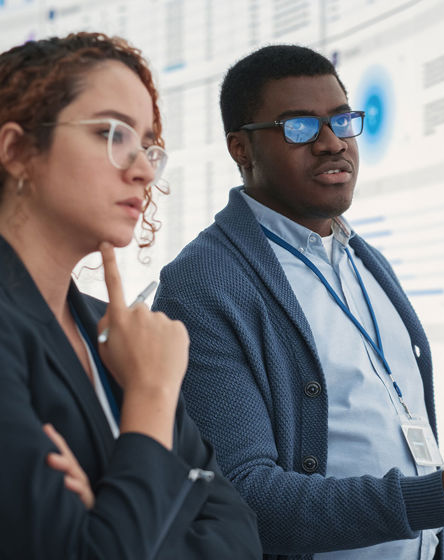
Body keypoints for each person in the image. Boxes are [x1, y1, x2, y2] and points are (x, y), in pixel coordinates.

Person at [153, 44, 444, 559]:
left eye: (342, 120)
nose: (330, 143)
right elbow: (245, 499)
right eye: (299, 127)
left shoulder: (363, 260)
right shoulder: (203, 285)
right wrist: (440, 498)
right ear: (241, 149)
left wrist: (440, 515)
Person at [0, 32, 261, 559]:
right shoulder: (144, 364)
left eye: (146, 146)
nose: (143, 170)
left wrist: (108, 512)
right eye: (112, 133)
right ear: (17, 149)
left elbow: (239, 533)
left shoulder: (115, 331)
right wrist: (151, 394)